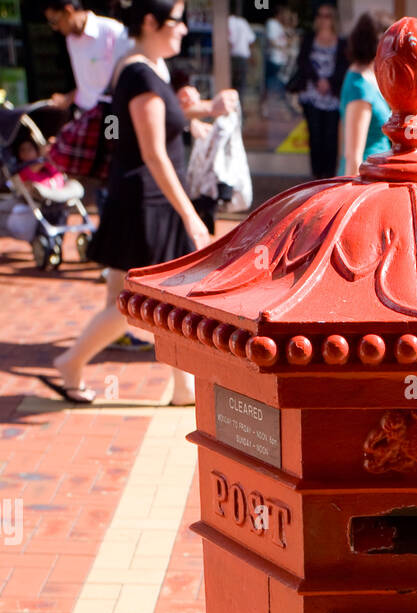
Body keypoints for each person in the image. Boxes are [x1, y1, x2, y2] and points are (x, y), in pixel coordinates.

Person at [43, 0, 211, 406]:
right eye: (177, 22)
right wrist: (190, 216)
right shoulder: (138, 72)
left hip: (141, 199)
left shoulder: (148, 69)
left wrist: (188, 109)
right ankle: (72, 363)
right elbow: (153, 153)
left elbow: (153, 134)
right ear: (151, 23)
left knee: (147, 300)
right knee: (144, 302)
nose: (184, 30)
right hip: (145, 202)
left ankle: (180, 386)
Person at [289, 3, 347, 179]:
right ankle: (317, 175)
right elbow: (303, 62)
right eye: (320, 16)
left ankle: (329, 175)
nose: (323, 19)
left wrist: (328, 82)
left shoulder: (342, 41)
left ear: (333, 19)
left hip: (332, 97)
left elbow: (343, 66)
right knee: (315, 136)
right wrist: (318, 80)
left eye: (327, 15)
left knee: (331, 137)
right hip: (311, 95)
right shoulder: (309, 39)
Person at [43, 0, 132, 113]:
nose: (55, 28)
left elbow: (129, 77)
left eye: (54, 21)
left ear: (68, 11)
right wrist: (68, 98)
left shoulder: (113, 31)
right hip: (86, 114)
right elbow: (88, 86)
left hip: (114, 114)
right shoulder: (70, 40)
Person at [338, 11, 391, 176]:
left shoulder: (367, 77)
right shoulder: (359, 86)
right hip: (366, 180)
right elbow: (353, 156)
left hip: (375, 177)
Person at [228, 0, 257, 101]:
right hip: (241, 58)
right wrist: (252, 56)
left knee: (230, 86)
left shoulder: (226, 22)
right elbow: (251, 41)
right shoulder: (242, 22)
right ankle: (238, 111)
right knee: (240, 88)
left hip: (230, 58)